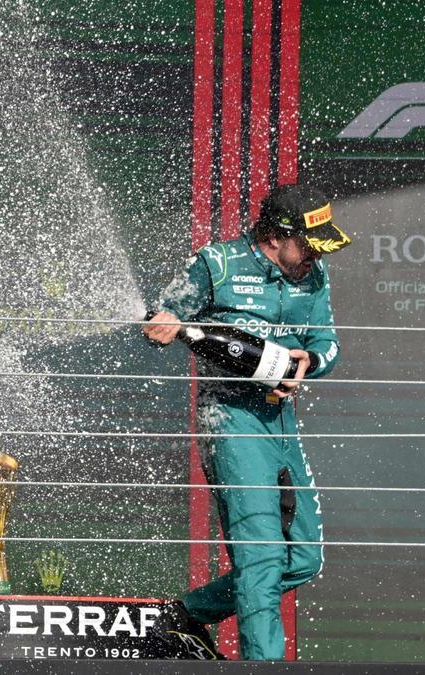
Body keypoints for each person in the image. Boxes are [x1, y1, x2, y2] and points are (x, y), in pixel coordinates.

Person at [143, 183, 349, 660]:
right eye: (308, 244)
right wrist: (165, 322)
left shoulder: (314, 274)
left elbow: (329, 346)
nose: (315, 256)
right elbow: (162, 318)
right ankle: (264, 665)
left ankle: (188, 615)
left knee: (302, 558)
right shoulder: (216, 264)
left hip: (281, 420)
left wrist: (306, 365)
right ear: (275, 237)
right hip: (231, 417)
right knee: (261, 559)